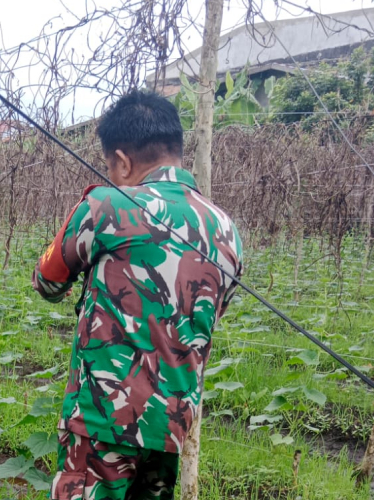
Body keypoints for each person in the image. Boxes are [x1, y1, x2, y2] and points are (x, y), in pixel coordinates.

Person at [33, 90, 243, 500]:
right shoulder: (226, 230)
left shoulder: (106, 205)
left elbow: (48, 281)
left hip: (102, 418)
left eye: (112, 167)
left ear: (123, 161)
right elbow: (211, 315)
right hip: (170, 426)